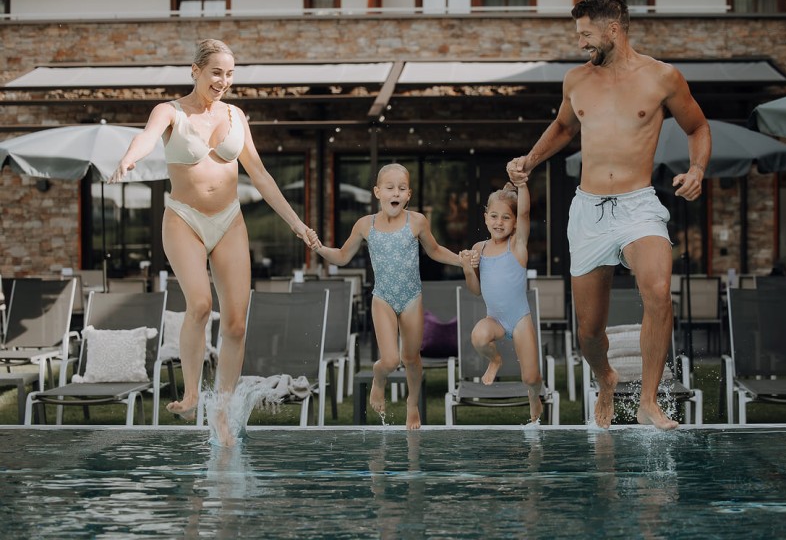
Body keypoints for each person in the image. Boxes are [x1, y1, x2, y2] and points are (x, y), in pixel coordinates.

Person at [508, 0, 711, 430]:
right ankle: (606, 379)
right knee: (588, 332)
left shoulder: (662, 78)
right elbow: (564, 126)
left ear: (612, 29)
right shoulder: (576, 81)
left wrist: (697, 168)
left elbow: (697, 126)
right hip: (588, 210)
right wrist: (529, 160)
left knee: (657, 291)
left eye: (586, 34)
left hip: (639, 205)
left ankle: (649, 402)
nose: (581, 43)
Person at [110, 39, 317, 445]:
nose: (223, 81)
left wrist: (296, 223)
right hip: (184, 219)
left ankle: (221, 410)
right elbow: (147, 138)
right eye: (216, 73)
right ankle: (190, 393)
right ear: (195, 71)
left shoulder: (236, 115)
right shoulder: (169, 111)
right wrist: (129, 157)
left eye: (230, 73)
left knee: (237, 323)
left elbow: (259, 175)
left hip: (229, 221)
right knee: (201, 304)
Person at [310, 163, 465, 429]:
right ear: (377, 192)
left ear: (409, 195)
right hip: (383, 298)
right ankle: (378, 379)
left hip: (411, 298)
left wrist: (461, 262)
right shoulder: (364, 225)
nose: (396, 192)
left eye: (401, 188)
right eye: (390, 188)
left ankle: (412, 404)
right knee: (391, 360)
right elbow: (343, 256)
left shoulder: (416, 221)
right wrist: (320, 248)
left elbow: (436, 250)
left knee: (412, 358)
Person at [459, 181, 544, 424]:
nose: (499, 222)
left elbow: (526, 211)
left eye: (506, 217)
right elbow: (475, 290)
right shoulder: (479, 249)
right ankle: (495, 360)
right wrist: (467, 269)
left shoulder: (517, 245)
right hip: (494, 319)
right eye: (494, 216)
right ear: (485, 218)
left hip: (519, 319)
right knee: (478, 336)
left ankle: (534, 395)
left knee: (531, 377)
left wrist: (523, 185)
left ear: (516, 222)